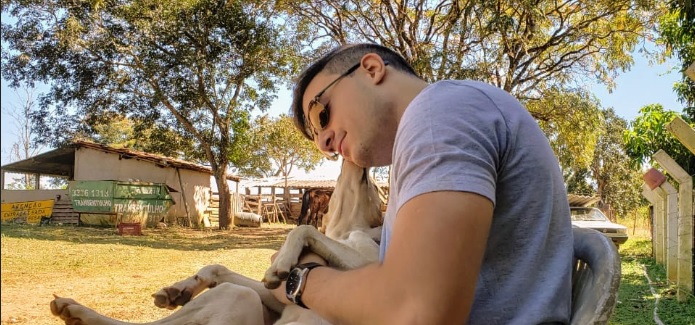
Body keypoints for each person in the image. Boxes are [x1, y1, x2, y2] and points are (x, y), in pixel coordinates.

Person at [273, 43, 574, 324]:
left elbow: (416, 311)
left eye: (322, 114)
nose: (324, 142)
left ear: (371, 69)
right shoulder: (433, 128)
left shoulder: (439, 113)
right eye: (316, 138)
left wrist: (302, 280)